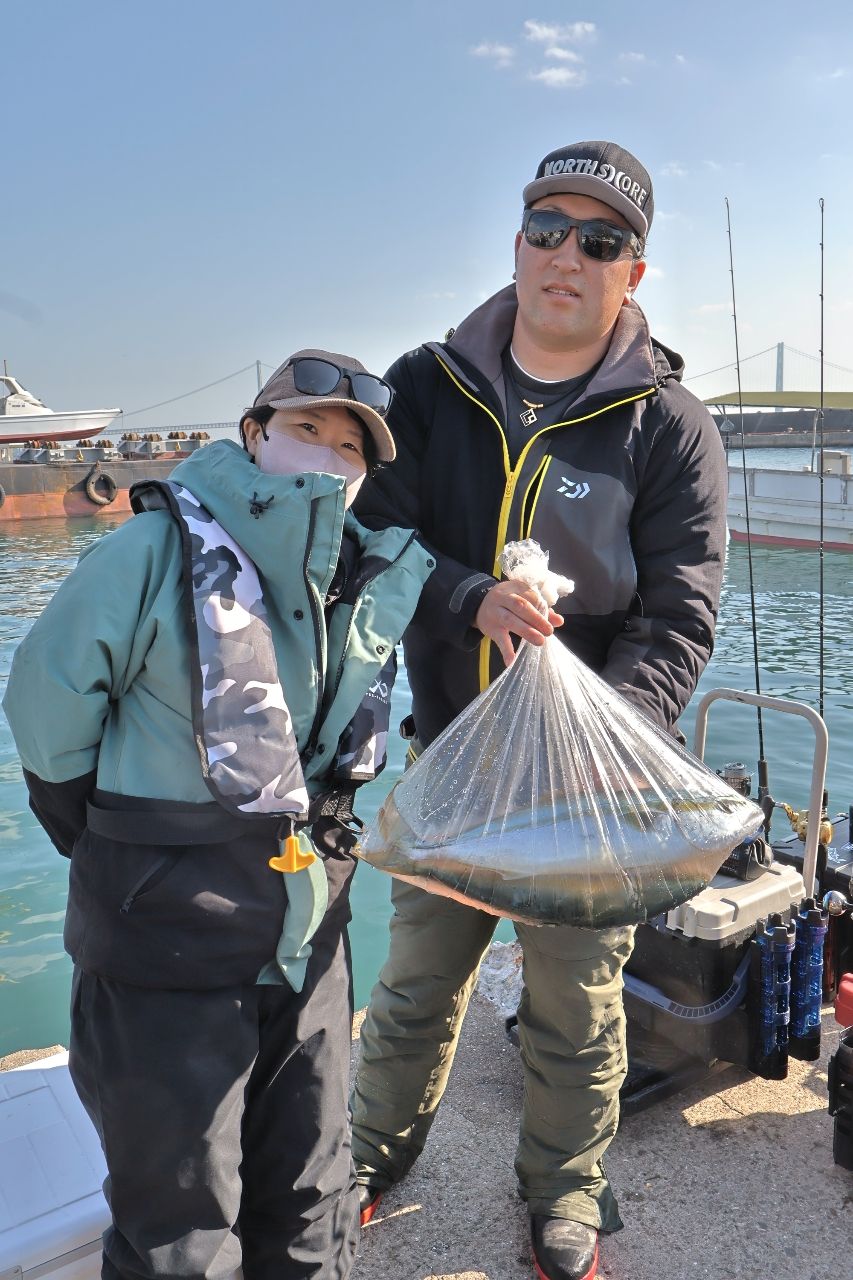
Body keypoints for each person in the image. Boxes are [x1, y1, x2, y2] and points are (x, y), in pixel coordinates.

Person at [350, 142, 728, 1280]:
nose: (567, 253)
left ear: (634, 273)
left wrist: (600, 738)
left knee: (577, 1004)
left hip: (586, 795)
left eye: (600, 239)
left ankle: (564, 1192)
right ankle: (369, 1153)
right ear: (516, 240)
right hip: (450, 762)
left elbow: (679, 615)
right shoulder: (422, 385)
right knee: (414, 982)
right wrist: (473, 597)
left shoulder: (670, 427)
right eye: (546, 226)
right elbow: (375, 540)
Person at [3, 350, 434, 1280]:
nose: (327, 456)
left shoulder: (361, 578)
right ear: (254, 434)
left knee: (313, 1198)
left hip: (309, 938)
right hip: (166, 948)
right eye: (305, 428)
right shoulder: (150, 550)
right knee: (178, 1229)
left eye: (351, 447)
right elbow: (47, 712)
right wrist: (132, 847)